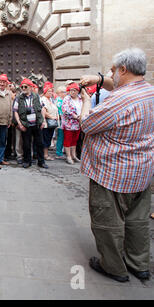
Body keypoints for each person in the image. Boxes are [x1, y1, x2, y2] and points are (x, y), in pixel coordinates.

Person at [79, 48, 154, 282]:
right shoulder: (149, 91)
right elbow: (121, 87)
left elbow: (87, 124)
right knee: (138, 221)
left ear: (123, 69)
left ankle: (113, 267)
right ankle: (139, 263)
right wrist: (100, 80)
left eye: (113, 70)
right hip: (142, 171)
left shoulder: (118, 101)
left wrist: (85, 101)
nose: (111, 74)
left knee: (108, 223)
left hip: (112, 173)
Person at [13, 78, 48, 169]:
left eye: (25, 86)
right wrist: (20, 124)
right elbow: (15, 111)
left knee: (40, 143)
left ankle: (41, 162)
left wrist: (43, 120)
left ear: (31, 87)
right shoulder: (18, 98)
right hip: (26, 124)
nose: (23, 88)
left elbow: (43, 108)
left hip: (37, 124)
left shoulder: (36, 96)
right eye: (22, 87)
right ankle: (27, 161)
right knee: (26, 144)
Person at [61, 82, 82, 164]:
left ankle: (74, 155)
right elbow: (65, 110)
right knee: (68, 140)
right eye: (71, 90)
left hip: (77, 123)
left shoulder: (80, 98)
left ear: (78, 91)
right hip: (69, 123)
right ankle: (68, 156)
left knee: (75, 140)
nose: (73, 92)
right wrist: (75, 116)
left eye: (75, 90)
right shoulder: (67, 99)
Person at [41, 84, 59, 161]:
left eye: (51, 91)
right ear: (45, 92)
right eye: (49, 91)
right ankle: (45, 155)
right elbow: (43, 111)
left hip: (51, 123)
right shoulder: (43, 99)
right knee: (45, 138)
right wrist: (52, 117)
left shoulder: (51, 100)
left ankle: (46, 154)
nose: (51, 93)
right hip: (46, 123)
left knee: (48, 138)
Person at [55, 86, 67, 159]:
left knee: (63, 136)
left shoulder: (64, 99)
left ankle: (62, 150)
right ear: (60, 93)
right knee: (61, 136)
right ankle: (59, 152)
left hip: (64, 120)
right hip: (61, 120)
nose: (66, 93)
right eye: (64, 92)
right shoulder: (59, 100)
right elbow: (62, 111)